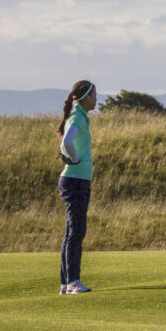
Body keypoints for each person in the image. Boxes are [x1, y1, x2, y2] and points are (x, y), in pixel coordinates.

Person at [57, 79, 97, 295]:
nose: (97, 99)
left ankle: (66, 283)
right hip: (74, 181)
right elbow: (66, 142)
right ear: (86, 97)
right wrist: (73, 159)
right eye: (94, 95)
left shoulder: (81, 117)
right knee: (76, 231)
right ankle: (73, 281)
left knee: (71, 232)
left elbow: (65, 141)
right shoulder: (77, 116)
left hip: (78, 180)